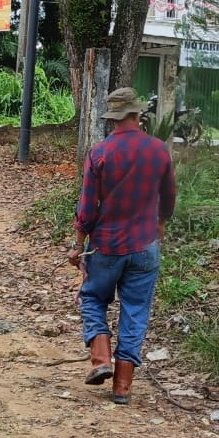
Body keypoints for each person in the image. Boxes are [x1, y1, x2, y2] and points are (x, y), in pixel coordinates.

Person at [70, 86, 177, 404]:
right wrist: (161, 222)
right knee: (135, 312)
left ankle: (101, 361)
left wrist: (77, 244)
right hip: (145, 245)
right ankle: (122, 388)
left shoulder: (100, 152)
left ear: (113, 117)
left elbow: (87, 207)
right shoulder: (159, 150)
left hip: (107, 246)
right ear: (137, 114)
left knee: (92, 298)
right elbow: (169, 196)